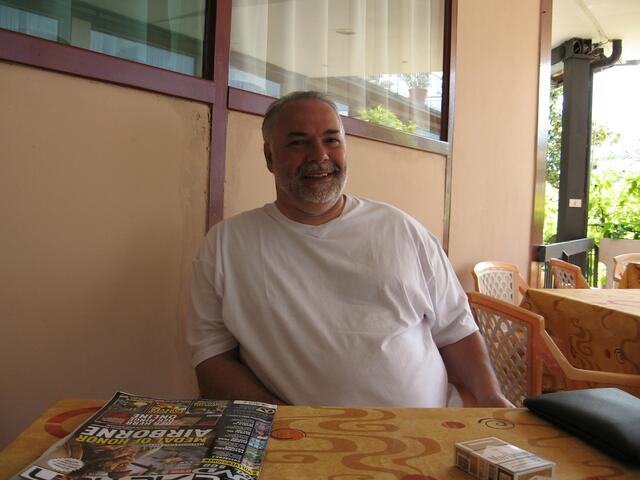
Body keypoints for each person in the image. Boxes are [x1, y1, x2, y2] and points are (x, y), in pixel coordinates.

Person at [187, 91, 512, 408]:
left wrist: (491, 398)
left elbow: (456, 329)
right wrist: (286, 422)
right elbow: (212, 357)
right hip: (303, 438)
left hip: (429, 427)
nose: (319, 156)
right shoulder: (227, 245)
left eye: (332, 140)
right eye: (298, 143)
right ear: (270, 156)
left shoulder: (402, 229)